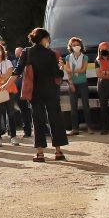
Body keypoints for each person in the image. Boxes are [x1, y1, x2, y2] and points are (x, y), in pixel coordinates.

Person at [23, 27, 69, 162]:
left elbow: (17, 70)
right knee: (55, 119)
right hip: (51, 90)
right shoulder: (51, 54)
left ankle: (40, 153)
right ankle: (58, 151)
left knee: (38, 121)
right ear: (43, 38)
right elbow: (57, 74)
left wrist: (7, 83)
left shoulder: (27, 52)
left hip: (35, 92)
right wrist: (61, 67)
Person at [63, 36, 91, 134]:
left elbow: (83, 70)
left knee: (86, 106)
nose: (76, 47)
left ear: (81, 46)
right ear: (71, 46)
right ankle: (75, 128)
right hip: (72, 84)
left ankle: (89, 127)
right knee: (73, 107)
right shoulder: (67, 57)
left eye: (77, 45)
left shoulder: (85, 57)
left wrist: (71, 70)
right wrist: (71, 83)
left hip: (83, 83)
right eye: (74, 45)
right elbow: (67, 72)